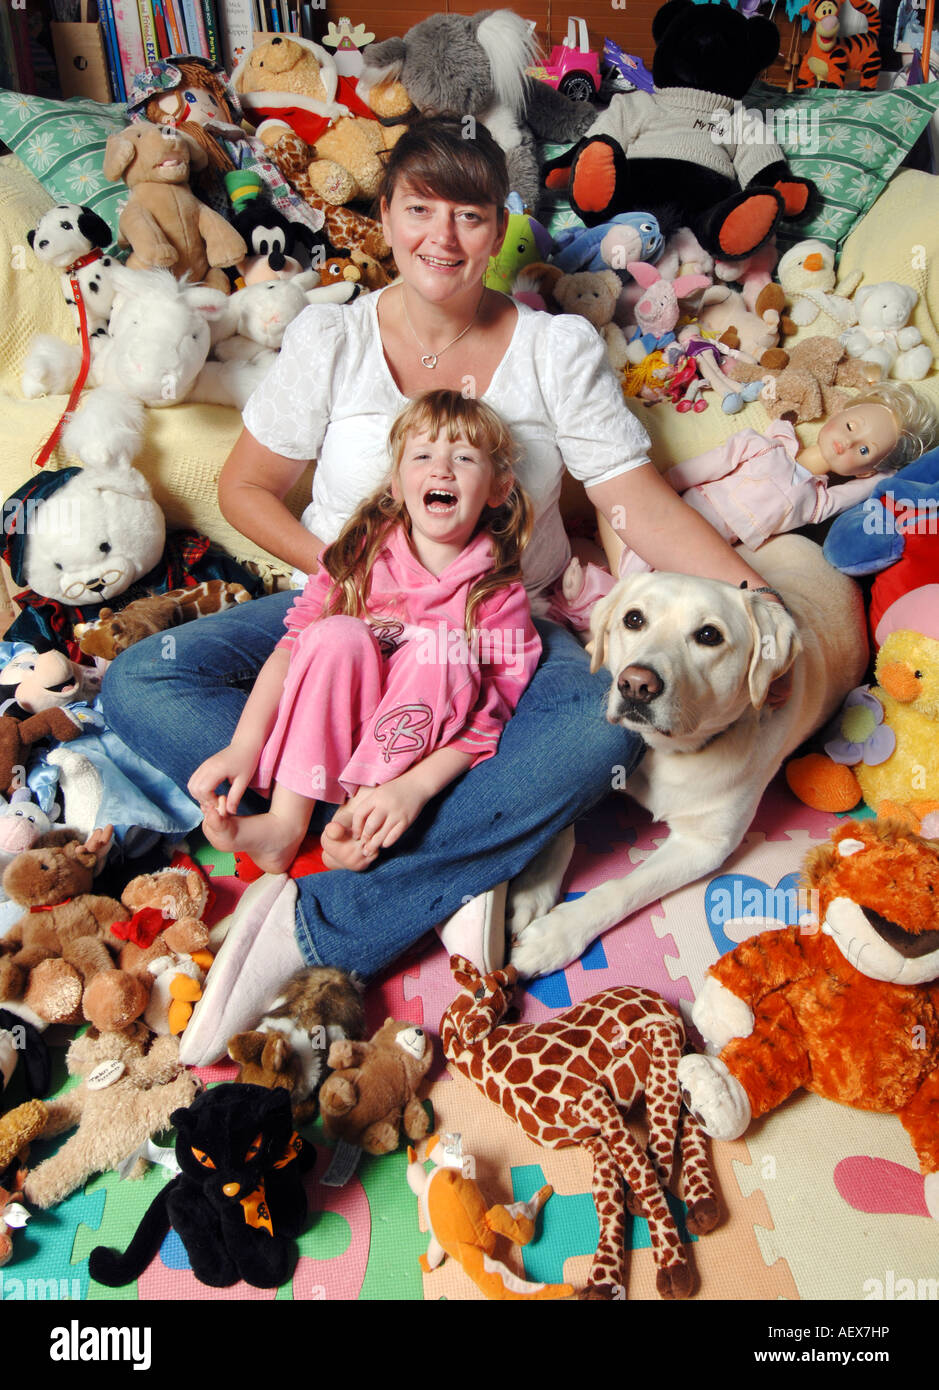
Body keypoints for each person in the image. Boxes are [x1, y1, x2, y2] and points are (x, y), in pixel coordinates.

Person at [102, 116, 793, 1064]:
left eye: (470, 214)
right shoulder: (330, 336)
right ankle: (407, 827)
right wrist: (351, 580)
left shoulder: (554, 348)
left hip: (499, 622)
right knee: (136, 683)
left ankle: (323, 905)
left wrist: (761, 604)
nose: (442, 236)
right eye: (418, 208)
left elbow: (633, 504)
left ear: (501, 225)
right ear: (383, 215)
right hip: (345, 609)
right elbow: (244, 490)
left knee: (599, 731)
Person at [187, 389, 541, 876]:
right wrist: (243, 745)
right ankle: (285, 825)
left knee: (439, 651)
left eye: (463, 457)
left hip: (405, 756)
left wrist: (411, 790)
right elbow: (293, 651)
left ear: (498, 489)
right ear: (396, 484)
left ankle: (357, 825)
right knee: (335, 635)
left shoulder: (499, 594)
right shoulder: (359, 555)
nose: (441, 469)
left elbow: (489, 715)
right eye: (423, 456)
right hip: (329, 724)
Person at [614, 381, 939, 572]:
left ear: (868, 469)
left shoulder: (817, 502)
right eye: (851, 426)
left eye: (865, 451)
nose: (849, 443)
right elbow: (712, 463)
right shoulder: (767, 446)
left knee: (663, 577)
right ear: (839, 414)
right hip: (683, 510)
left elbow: (865, 490)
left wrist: (892, 473)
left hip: (712, 548)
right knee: (639, 558)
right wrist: (663, 486)